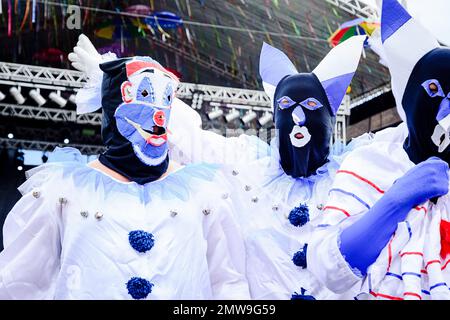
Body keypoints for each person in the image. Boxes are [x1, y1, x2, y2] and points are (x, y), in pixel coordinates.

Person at [0, 35, 250, 300]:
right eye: (143, 94)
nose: (157, 113)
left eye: (165, 98)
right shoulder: (61, 192)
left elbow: (228, 283)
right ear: (114, 105)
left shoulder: (203, 194)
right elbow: (20, 285)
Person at [169, 36, 369, 299]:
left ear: (329, 119)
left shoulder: (357, 171)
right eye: (286, 106)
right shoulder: (247, 165)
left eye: (310, 106)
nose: (298, 118)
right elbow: (193, 140)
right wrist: (131, 85)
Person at [307, 0, 450, 300]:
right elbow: (327, 268)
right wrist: (395, 202)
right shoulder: (371, 163)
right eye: (435, 91)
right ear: (409, 97)